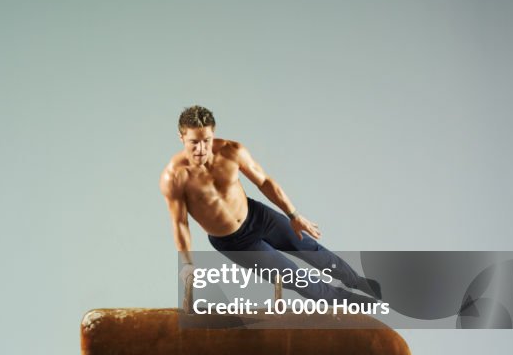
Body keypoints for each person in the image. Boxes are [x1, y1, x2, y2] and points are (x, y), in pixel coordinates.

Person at [159, 105, 380, 307]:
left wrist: (294, 215)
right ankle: (350, 301)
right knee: (294, 278)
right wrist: (187, 262)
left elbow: (264, 182)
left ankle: (357, 281)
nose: (201, 148)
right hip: (234, 242)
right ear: (181, 138)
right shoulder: (174, 177)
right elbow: (180, 222)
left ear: (213, 134)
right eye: (194, 142)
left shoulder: (231, 151)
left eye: (206, 140)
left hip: (258, 216)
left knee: (312, 249)